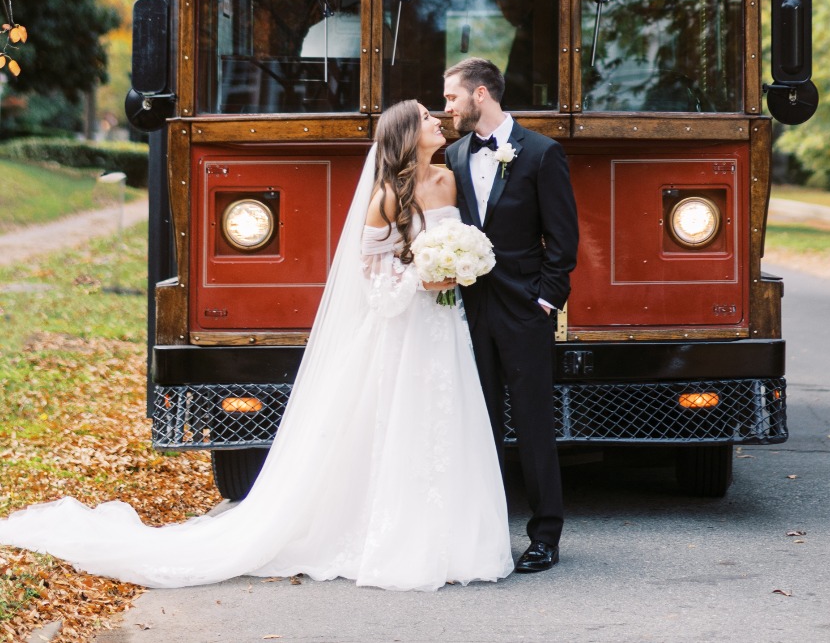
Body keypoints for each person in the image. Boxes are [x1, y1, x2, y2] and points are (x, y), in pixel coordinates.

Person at [0, 101, 514, 592]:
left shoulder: (447, 179)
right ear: (407, 135)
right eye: (427, 117)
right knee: (401, 426)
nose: (439, 120)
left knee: (444, 420)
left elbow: (456, 243)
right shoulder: (383, 199)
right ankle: (403, 540)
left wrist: (458, 267)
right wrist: (424, 279)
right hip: (403, 326)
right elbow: (375, 288)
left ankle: (451, 538)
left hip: (443, 329)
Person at [444, 57, 579, 573]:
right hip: (468, 310)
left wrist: (547, 299)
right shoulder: (454, 156)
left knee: (533, 423)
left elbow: (563, 238)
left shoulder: (543, 153)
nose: (447, 107)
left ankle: (545, 535)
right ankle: (486, 536)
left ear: (481, 95)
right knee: (480, 426)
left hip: (524, 310)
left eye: (453, 97)